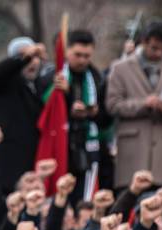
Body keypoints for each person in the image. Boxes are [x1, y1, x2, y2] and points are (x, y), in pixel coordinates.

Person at [107, 22, 162, 189]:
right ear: (143, 42)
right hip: (132, 152)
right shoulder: (120, 68)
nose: (159, 53)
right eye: (154, 48)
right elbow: (113, 105)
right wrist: (143, 104)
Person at [41, 30, 103, 205]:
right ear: (67, 51)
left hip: (87, 145)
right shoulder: (52, 75)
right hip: (60, 145)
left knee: (85, 199)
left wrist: (92, 112)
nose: (82, 60)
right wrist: (65, 97)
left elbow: (105, 114)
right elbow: (44, 109)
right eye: (77, 55)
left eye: (87, 56)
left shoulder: (96, 78)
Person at [0, 37, 46, 195]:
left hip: (31, 166)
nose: (32, 62)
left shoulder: (37, 87)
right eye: (27, 57)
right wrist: (25, 56)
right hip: (7, 168)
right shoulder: (4, 83)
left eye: (36, 57)